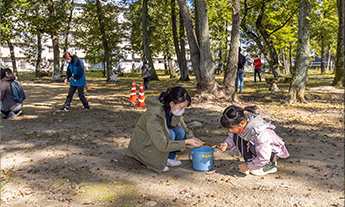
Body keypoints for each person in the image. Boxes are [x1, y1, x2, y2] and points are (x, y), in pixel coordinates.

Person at [126, 86, 205, 173]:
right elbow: (162, 144)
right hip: (144, 146)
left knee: (179, 131)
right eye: (182, 107)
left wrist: (191, 137)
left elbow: (183, 126)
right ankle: (153, 161)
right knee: (170, 133)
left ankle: (168, 158)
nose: (183, 110)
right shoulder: (153, 115)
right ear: (172, 104)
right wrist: (186, 142)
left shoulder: (172, 109)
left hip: (157, 139)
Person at [219, 105, 289, 176]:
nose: (230, 130)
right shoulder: (242, 124)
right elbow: (232, 137)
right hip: (258, 148)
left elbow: (264, 155)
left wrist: (248, 167)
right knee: (236, 136)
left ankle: (269, 165)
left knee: (256, 146)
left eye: (231, 128)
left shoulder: (259, 132)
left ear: (241, 123)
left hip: (268, 152)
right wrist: (227, 144)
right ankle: (250, 161)